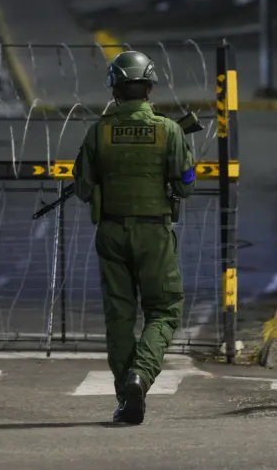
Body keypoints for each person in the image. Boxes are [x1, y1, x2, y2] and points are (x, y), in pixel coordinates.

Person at [71, 50, 196, 425]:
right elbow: (186, 185)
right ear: (149, 87)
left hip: (111, 232)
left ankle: (127, 397)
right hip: (154, 234)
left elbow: (81, 186)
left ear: (115, 89)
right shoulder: (169, 130)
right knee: (164, 309)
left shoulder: (99, 132)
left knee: (120, 318)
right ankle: (140, 376)